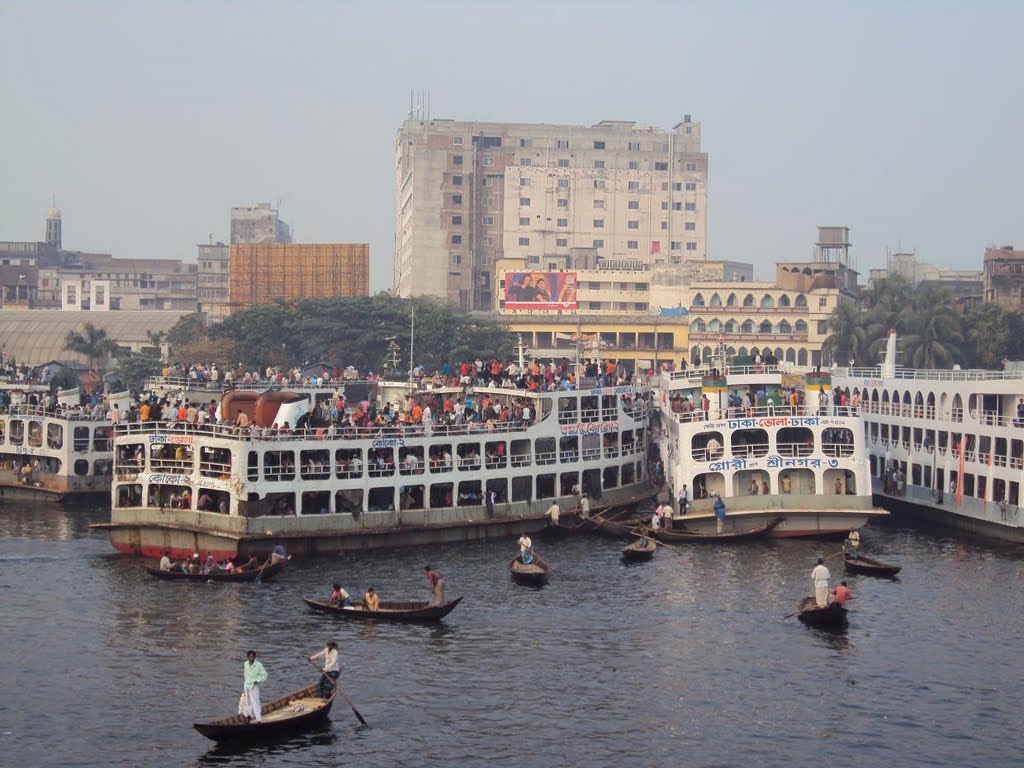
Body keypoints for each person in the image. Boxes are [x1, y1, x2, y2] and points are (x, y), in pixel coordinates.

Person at [241, 650, 268, 722]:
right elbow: (245, 675)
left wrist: (257, 680)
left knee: (255, 703)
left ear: (255, 657)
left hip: (254, 686)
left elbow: (265, 675)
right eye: (250, 657)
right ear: (247, 657)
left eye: (253, 657)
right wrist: (246, 684)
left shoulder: (258, 665)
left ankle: (259, 719)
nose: (251, 658)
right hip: (247, 686)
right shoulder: (245, 664)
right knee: (248, 703)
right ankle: (249, 717)